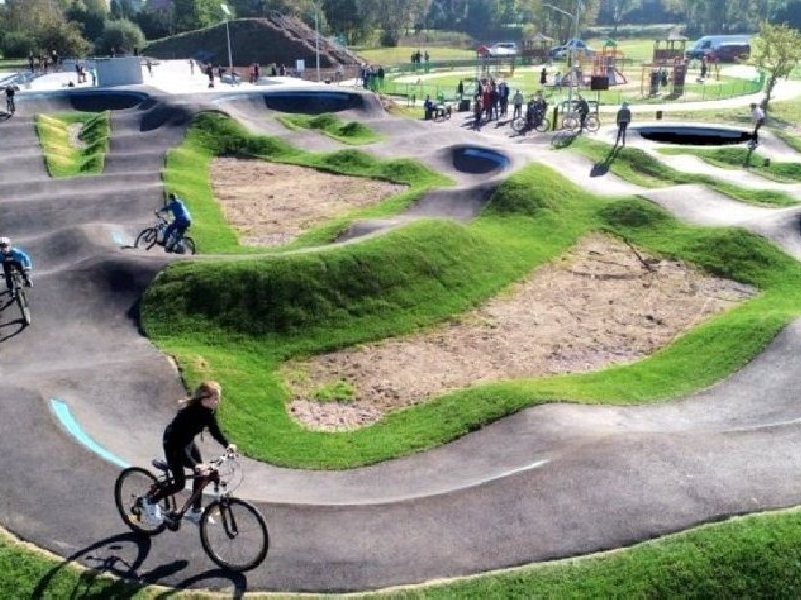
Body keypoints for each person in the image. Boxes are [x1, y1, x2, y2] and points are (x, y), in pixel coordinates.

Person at [140, 381, 238, 527]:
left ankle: (195, 511)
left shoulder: (208, 412)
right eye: (215, 398)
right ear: (204, 399)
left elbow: (214, 430)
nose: (218, 402)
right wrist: (194, 465)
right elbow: (179, 446)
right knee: (179, 483)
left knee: (202, 475)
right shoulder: (188, 414)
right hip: (174, 444)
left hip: (187, 442)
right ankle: (149, 501)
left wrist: (227, 444)